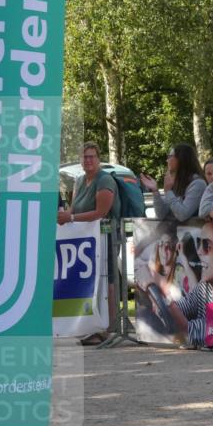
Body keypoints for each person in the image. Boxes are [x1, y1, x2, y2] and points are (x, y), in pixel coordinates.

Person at [57, 142, 121, 344]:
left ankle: (111, 328)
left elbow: (101, 213)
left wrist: (72, 219)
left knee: (108, 281)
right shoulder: (79, 181)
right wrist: (66, 215)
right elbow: (75, 209)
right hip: (84, 241)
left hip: (106, 237)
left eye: (91, 156)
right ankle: (92, 327)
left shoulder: (105, 180)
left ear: (98, 158)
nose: (88, 160)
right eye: (85, 157)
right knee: (90, 282)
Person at [169, 217, 213, 350]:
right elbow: (183, 308)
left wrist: (166, 302)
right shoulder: (204, 287)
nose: (199, 251)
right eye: (199, 243)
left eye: (207, 246)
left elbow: (194, 331)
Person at [141, 144, 206, 223]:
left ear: (181, 159)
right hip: (174, 233)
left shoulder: (198, 183)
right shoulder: (177, 182)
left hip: (192, 233)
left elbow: (182, 215)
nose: (167, 160)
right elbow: (161, 214)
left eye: (170, 156)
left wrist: (168, 191)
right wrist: (155, 191)